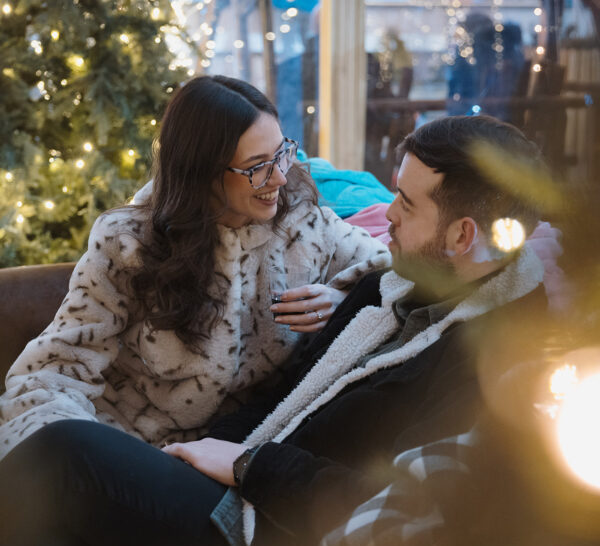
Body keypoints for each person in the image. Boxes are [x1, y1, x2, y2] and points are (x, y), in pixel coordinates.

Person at [0, 115, 548, 546]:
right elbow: (283, 393)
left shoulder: (497, 364)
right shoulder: (392, 289)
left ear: (463, 234)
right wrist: (196, 451)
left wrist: (248, 465)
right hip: (234, 495)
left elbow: (393, 510)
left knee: (62, 450)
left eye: (404, 203)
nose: (388, 218)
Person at [0, 75, 390, 458]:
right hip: (130, 444)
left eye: (281, 152)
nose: (281, 176)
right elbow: (57, 365)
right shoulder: (128, 242)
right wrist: (77, 454)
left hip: (241, 450)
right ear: (202, 172)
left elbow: (394, 274)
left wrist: (343, 301)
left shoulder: (304, 223)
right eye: (257, 166)